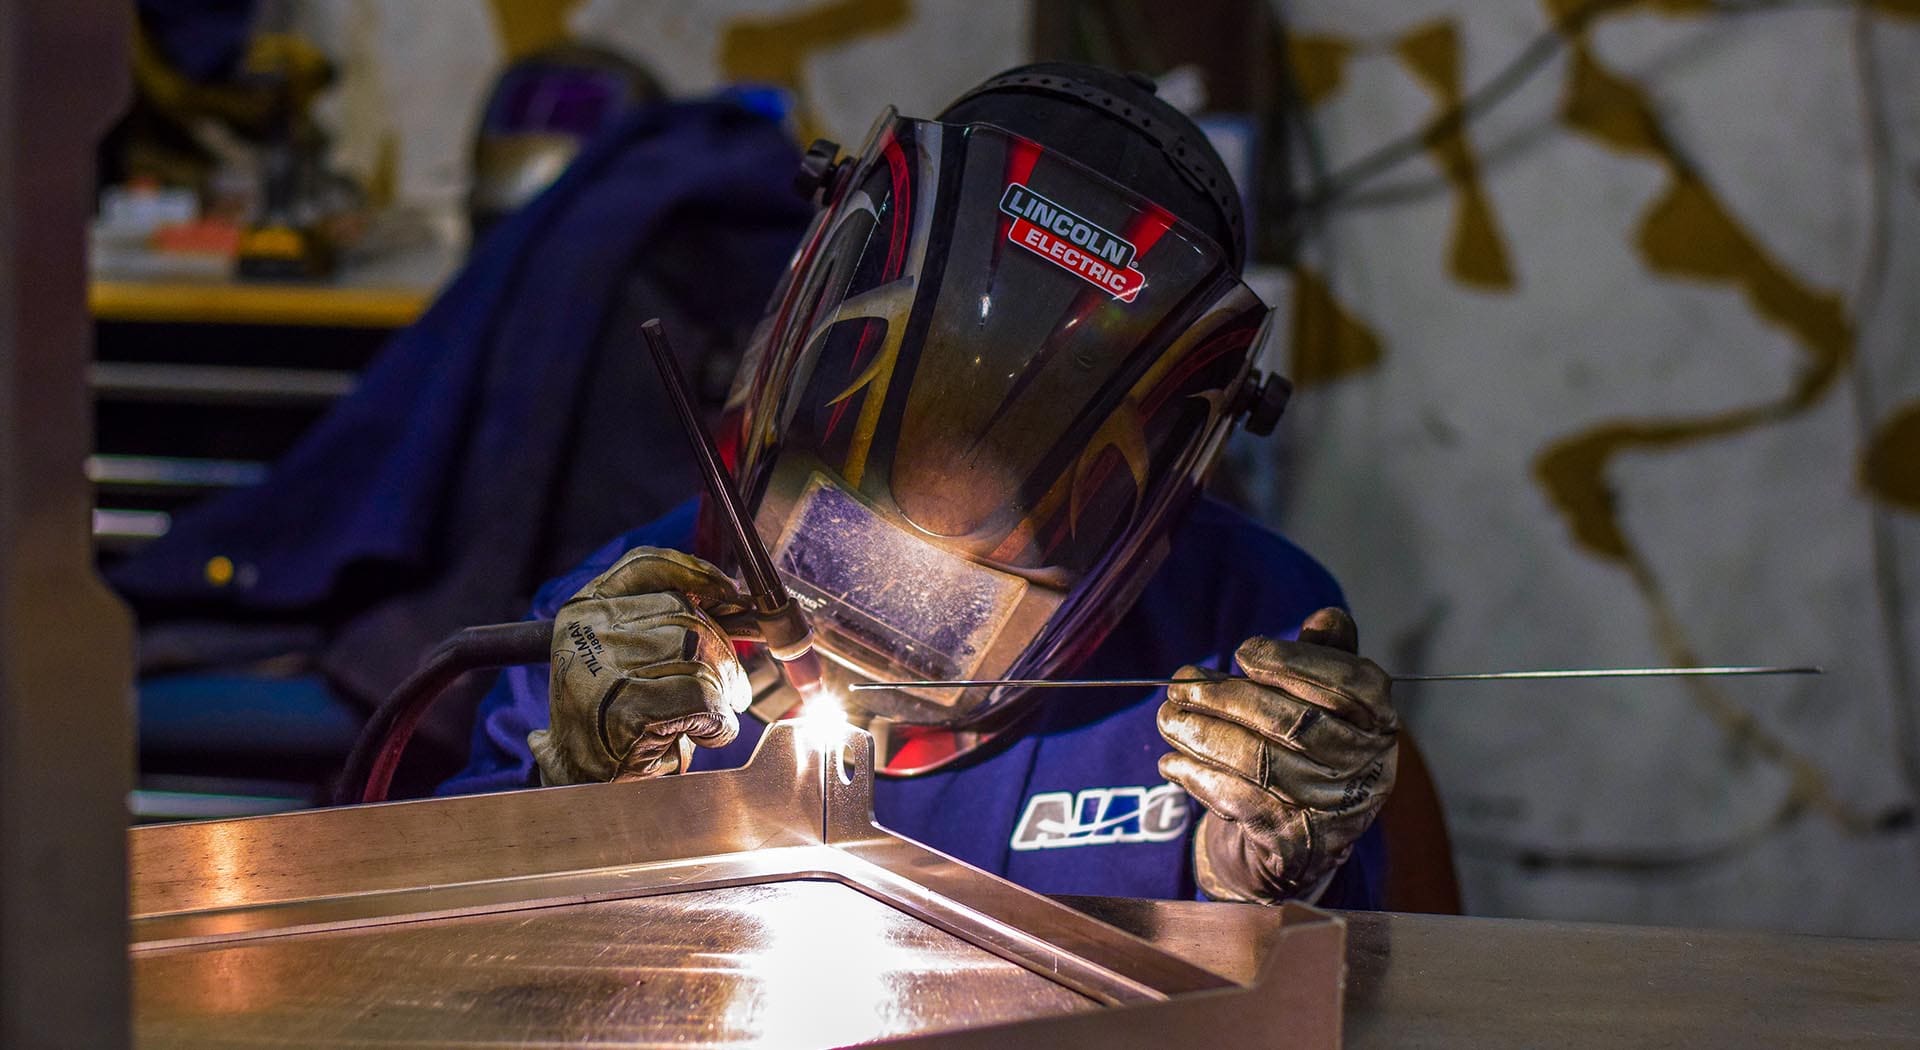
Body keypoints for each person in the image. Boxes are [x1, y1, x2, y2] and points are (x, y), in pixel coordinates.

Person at [442, 62, 1400, 909]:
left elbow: (1331, 993)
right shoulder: (631, 625)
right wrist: (570, 803)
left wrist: (1259, 885)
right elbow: (438, 941)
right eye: (837, 556)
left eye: (954, 600)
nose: (862, 653)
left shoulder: (1250, 636)